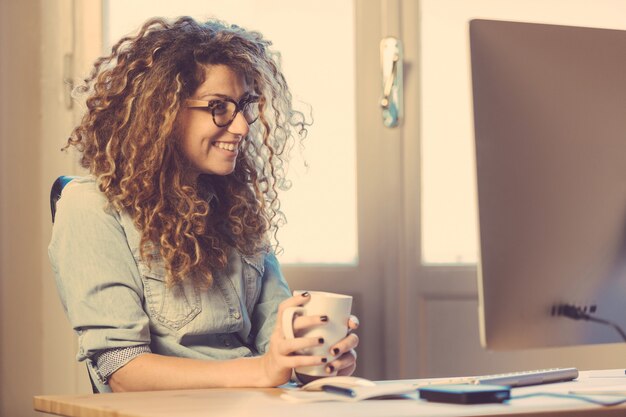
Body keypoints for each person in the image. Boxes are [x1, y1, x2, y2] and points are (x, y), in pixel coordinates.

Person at [48, 16, 359, 393]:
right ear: (161, 113)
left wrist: (311, 358)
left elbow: (273, 344)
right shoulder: (90, 208)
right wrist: (263, 372)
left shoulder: (236, 207)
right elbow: (121, 369)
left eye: (243, 106)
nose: (242, 126)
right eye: (219, 107)